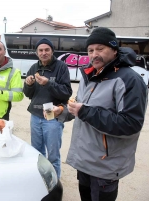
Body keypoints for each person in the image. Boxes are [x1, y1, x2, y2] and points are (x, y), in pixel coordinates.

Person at [53, 27, 148, 201]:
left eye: (100, 49)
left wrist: (85, 111)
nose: (94, 54)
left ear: (113, 50)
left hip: (104, 165)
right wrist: (63, 111)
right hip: (84, 160)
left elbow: (131, 124)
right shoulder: (89, 75)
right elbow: (80, 105)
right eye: (90, 50)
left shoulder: (129, 80)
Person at [23, 38, 72, 179]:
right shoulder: (34, 67)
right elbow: (28, 94)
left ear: (52, 51)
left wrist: (48, 83)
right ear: (37, 52)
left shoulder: (61, 67)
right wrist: (29, 84)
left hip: (52, 115)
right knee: (37, 152)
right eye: (40, 50)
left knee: (53, 155)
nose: (43, 53)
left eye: (47, 50)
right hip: (36, 114)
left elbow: (66, 92)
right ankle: (40, 180)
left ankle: (54, 186)